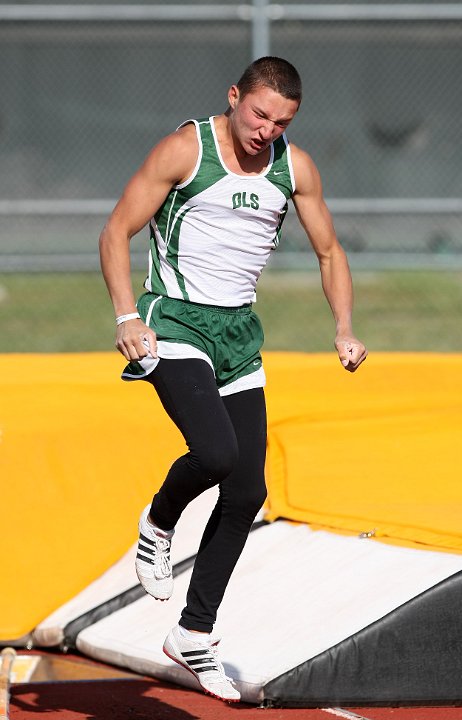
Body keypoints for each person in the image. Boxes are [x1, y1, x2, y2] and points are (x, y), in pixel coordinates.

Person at [99, 56, 367, 703]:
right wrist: (127, 314)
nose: (265, 130)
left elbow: (329, 251)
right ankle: (159, 522)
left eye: (280, 122)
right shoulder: (185, 149)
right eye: (258, 114)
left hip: (238, 336)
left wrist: (342, 328)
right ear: (233, 98)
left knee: (247, 489)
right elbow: (115, 230)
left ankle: (193, 631)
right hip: (174, 324)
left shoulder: (292, 167)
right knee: (216, 455)